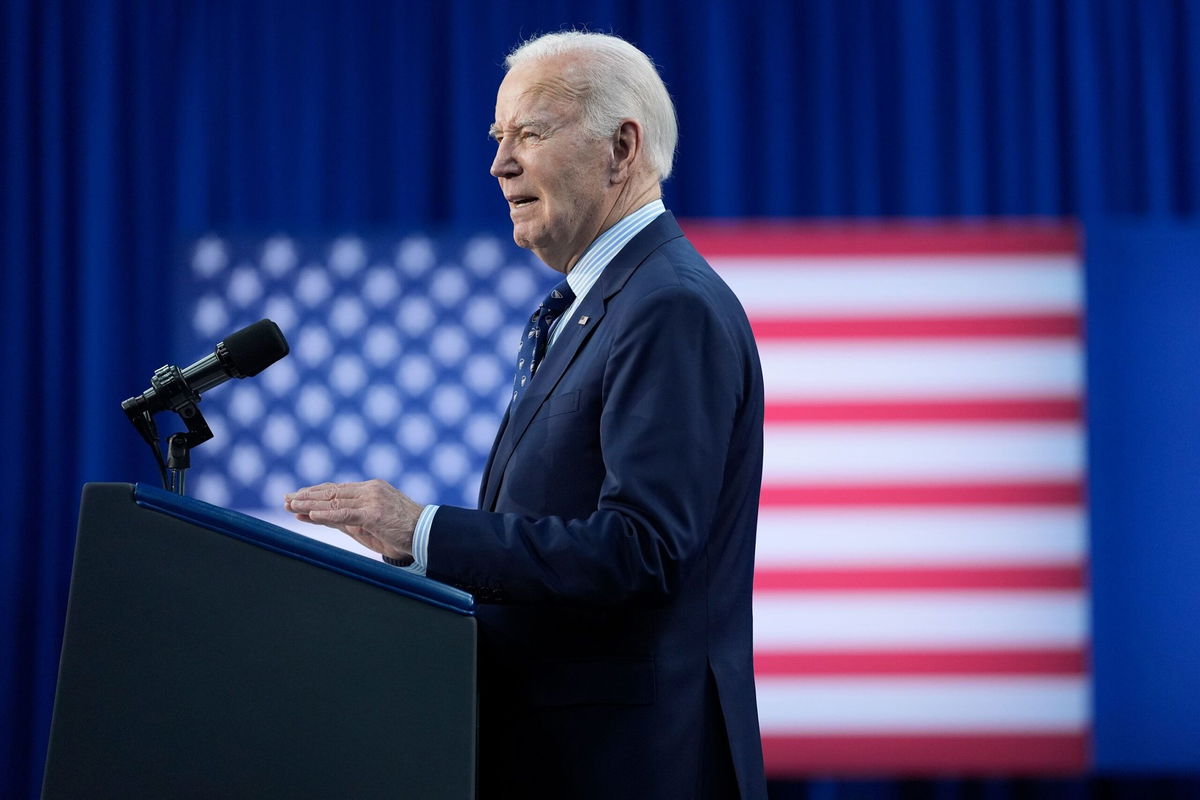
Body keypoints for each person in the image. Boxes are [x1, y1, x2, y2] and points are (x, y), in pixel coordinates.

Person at [286, 31, 767, 799]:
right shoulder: (585, 309)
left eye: (530, 134)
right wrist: (418, 561)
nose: (499, 163)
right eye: (497, 137)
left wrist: (425, 531)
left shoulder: (669, 305)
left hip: (632, 765)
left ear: (621, 147)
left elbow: (642, 550)